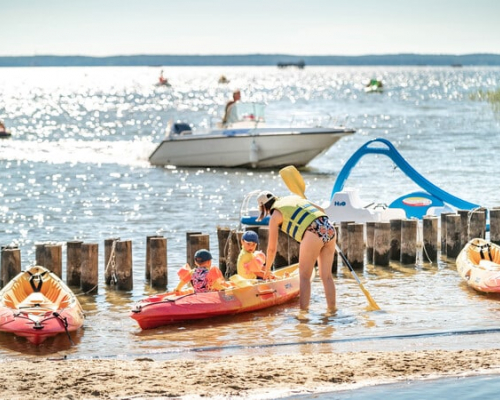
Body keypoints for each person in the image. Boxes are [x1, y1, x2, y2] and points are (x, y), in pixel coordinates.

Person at [256, 191, 337, 311]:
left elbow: (272, 249)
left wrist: (267, 270)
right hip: (329, 227)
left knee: (304, 277)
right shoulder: (294, 198)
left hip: (312, 232)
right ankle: (332, 311)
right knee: (327, 276)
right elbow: (322, 211)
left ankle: (303, 315)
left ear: (264, 207)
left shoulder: (275, 215)